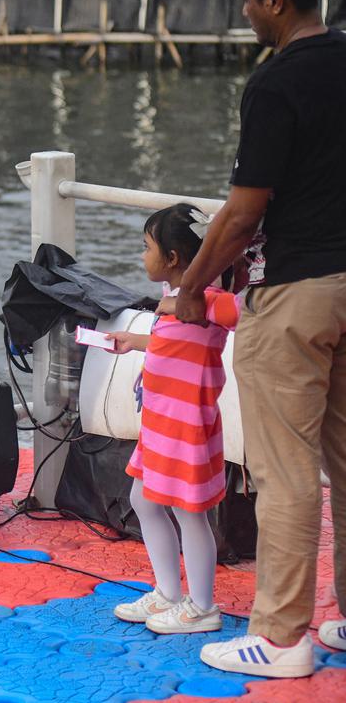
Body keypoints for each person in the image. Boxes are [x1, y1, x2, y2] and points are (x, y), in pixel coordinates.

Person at [172, 0, 346, 678]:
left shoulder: (277, 80)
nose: (244, 9)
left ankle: (279, 638)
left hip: (297, 293)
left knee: (285, 469)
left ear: (274, 1)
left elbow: (243, 213)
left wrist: (191, 289)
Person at [104, 204, 237, 635]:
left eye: (146, 247)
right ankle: (168, 592)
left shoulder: (207, 301)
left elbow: (244, 315)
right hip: (160, 426)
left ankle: (202, 606)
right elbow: (174, 342)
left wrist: (220, 296)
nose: (142, 255)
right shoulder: (174, 300)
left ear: (173, 258)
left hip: (187, 431)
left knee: (189, 513)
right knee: (144, 500)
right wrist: (135, 340)